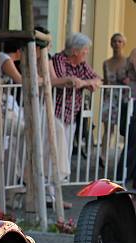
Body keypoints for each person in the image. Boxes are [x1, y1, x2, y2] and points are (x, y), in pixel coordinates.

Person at [51, 32, 102, 181]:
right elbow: (68, 81)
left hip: (71, 114)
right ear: (75, 51)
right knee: (55, 153)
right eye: (85, 50)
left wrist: (85, 83)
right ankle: (50, 193)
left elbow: (98, 79)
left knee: (65, 154)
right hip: (55, 112)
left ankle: (59, 188)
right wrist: (83, 82)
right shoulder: (59, 59)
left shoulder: (81, 64)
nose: (86, 53)